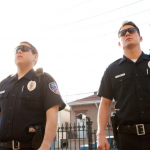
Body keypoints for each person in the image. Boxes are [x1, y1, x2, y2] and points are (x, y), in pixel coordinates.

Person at [0, 41, 66, 150]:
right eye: (17, 49)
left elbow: (52, 115)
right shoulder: (3, 84)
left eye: (24, 48)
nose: (19, 51)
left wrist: (45, 146)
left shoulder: (44, 80)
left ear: (35, 57)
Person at [97, 21, 150, 150]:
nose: (127, 33)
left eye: (131, 30)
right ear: (119, 43)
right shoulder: (112, 70)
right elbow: (105, 104)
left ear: (140, 37)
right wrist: (101, 134)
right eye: (122, 33)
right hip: (126, 139)